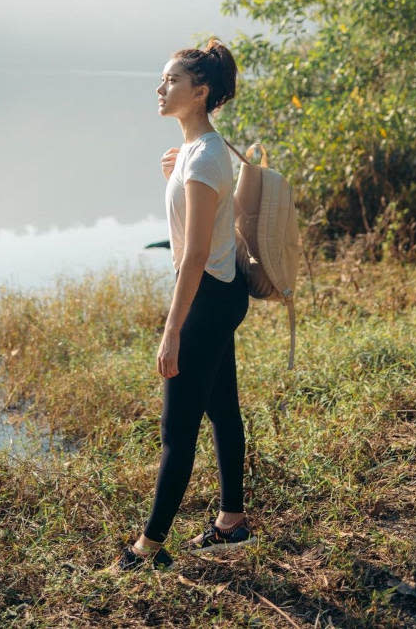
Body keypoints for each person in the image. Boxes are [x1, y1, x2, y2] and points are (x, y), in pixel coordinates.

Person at [115, 37, 254, 571]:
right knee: (221, 409)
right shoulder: (197, 155)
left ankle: (145, 549)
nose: (161, 87)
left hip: (209, 297)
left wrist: (172, 330)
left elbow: (194, 254)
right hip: (221, 293)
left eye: (171, 80)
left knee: (177, 432)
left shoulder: (203, 159)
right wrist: (176, 174)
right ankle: (232, 523)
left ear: (199, 92)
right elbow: (200, 228)